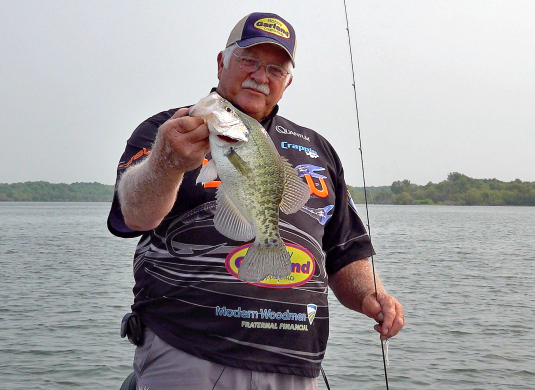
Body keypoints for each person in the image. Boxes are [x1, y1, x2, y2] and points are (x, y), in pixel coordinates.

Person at [108, 12, 404, 390]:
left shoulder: (318, 150)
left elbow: (344, 248)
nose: (260, 76)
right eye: (249, 60)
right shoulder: (169, 130)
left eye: (275, 69)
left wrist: (371, 295)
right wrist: (166, 163)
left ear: (287, 82)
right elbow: (133, 215)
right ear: (221, 63)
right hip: (189, 349)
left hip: (295, 363)